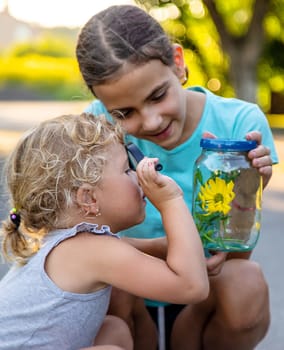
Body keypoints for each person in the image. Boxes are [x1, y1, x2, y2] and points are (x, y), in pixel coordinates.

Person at [75, 4, 279, 350]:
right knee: (106, 287)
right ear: (101, 105)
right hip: (129, 291)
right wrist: (165, 250)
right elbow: (81, 240)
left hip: (206, 289)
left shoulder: (239, 123)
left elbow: (234, 256)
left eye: (158, 95)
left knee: (246, 283)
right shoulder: (94, 128)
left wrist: (250, 188)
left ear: (179, 64)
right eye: (124, 113)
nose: (151, 122)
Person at [0, 113, 209, 350]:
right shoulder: (91, 251)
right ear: (88, 198)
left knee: (115, 330)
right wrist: (170, 200)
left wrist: (163, 247)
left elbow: (124, 249)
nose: (137, 175)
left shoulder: (73, 245)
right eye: (126, 169)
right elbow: (193, 287)